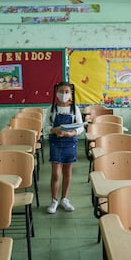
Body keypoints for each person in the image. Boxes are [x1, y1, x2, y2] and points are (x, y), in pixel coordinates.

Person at [45, 81, 84, 214]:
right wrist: (53, 130)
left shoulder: (74, 109)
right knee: (56, 174)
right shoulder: (51, 109)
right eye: (61, 91)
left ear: (71, 93)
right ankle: (54, 200)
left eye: (67, 92)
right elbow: (45, 127)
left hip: (70, 142)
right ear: (56, 93)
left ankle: (64, 199)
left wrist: (72, 133)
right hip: (55, 143)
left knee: (67, 173)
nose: (64, 94)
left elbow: (80, 127)